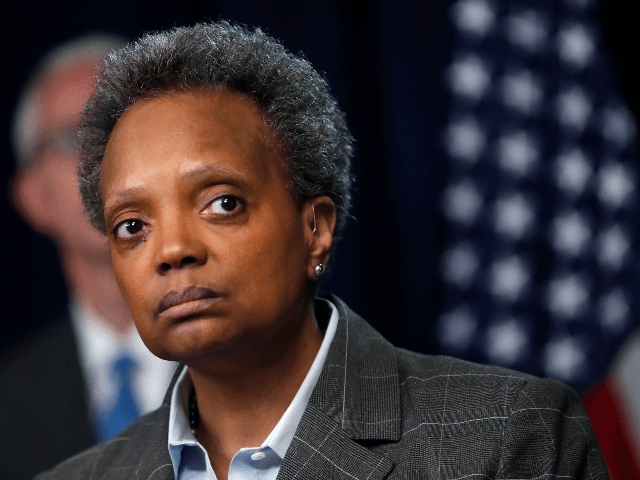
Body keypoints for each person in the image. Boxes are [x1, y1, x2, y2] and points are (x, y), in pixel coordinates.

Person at [35, 22, 608, 480]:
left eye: (222, 203)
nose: (173, 250)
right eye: (132, 226)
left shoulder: (513, 441)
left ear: (317, 228)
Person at [1, 35, 176, 480]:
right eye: (72, 137)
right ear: (34, 198)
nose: (103, 156)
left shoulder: (271, 363)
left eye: (120, 122)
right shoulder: (7, 405)